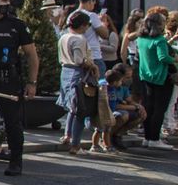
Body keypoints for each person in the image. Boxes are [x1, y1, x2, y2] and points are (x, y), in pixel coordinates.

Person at [0, 0, 37, 176]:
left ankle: (15, 162)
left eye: (8, 2)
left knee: (12, 122)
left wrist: (32, 83)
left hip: (8, 80)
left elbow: (32, 56)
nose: (7, 5)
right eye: (3, 1)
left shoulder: (16, 25)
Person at [132, 11, 178, 151]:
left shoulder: (141, 39)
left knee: (148, 108)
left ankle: (147, 138)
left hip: (145, 76)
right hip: (161, 77)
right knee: (159, 109)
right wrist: (175, 59)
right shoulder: (160, 40)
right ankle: (155, 138)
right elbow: (163, 57)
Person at [57, 11, 95, 155]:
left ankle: (67, 135)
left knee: (72, 108)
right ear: (83, 25)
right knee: (80, 109)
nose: (88, 28)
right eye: (87, 25)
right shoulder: (79, 39)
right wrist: (91, 64)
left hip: (65, 72)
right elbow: (80, 60)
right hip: (77, 74)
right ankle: (75, 145)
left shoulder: (63, 36)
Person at [92, 63, 146, 152]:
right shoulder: (105, 87)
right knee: (101, 129)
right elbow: (110, 104)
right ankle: (98, 144)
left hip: (112, 112)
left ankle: (115, 136)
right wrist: (133, 108)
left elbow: (128, 100)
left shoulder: (120, 87)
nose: (130, 80)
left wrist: (138, 106)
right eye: (127, 77)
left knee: (140, 115)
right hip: (104, 113)